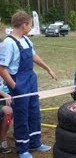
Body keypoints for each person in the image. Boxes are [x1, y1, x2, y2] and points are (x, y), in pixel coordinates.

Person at [0, 10, 58, 158]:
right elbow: (2, 69)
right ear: (24, 25)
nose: (31, 28)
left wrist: (48, 69)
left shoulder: (25, 39)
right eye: (30, 25)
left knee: (34, 113)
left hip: (31, 80)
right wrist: (15, 87)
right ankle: (23, 149)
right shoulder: (8, 43)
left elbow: (33, 56)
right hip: (19, 82)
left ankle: (35, 142)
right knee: (22, 116)